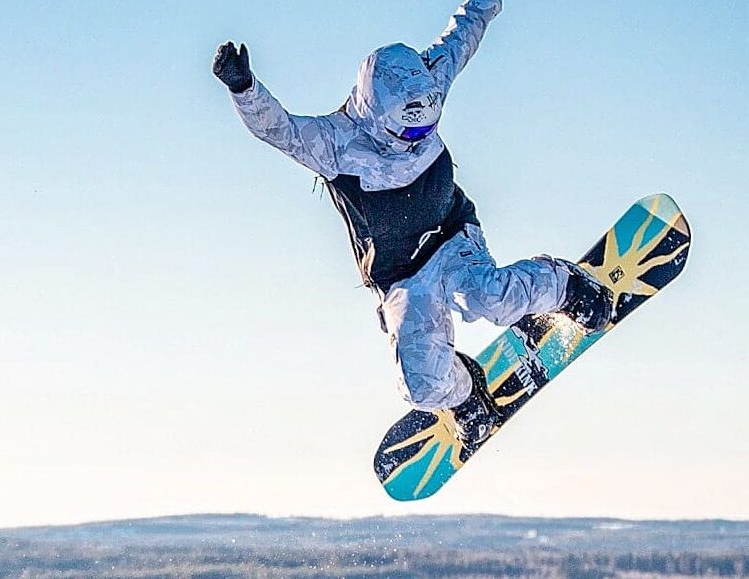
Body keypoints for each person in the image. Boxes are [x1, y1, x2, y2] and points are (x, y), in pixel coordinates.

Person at [213, 1, 613, 450]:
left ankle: (563, 286)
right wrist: (244, 88)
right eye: (408, 132)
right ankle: (465, 397)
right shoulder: (332, 144)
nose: (417, 140)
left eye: (427, 129)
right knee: (421, 388)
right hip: (401, 280)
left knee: (492, 299)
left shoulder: (429, 82)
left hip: (451, 238)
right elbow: (279, 130)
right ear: (377, 115)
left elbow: (463, 33)